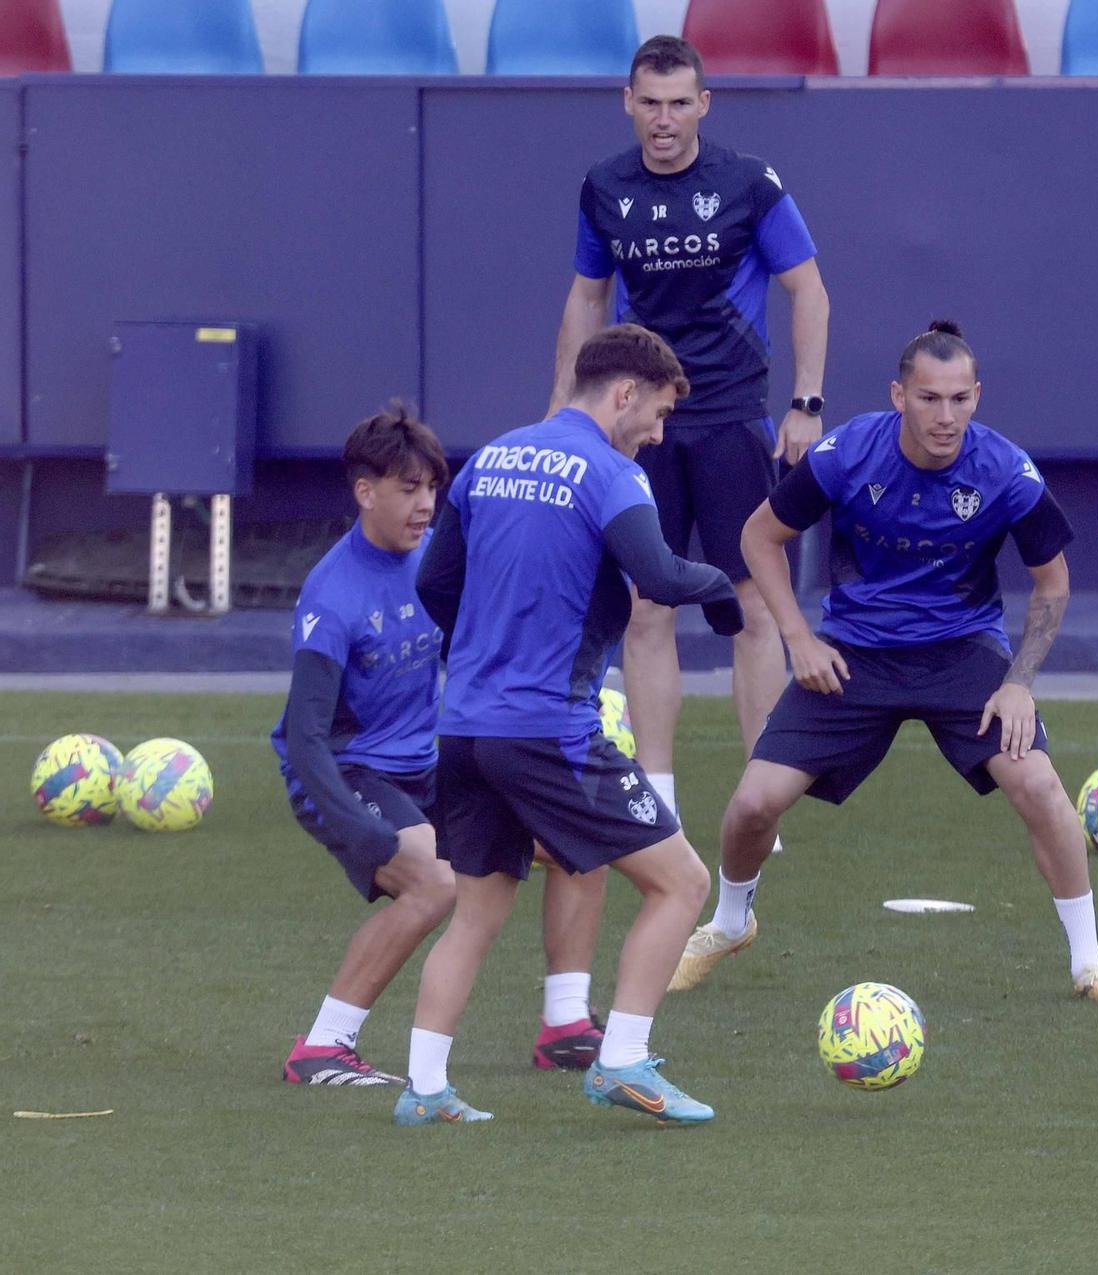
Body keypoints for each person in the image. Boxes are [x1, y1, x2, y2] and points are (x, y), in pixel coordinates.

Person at [666, 321, 1098, 1007]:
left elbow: (1053, 582)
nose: (944, 416)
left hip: (962, 653)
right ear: (899, 395)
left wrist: (1018, 685)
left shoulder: (1006, 471)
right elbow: (756, 536)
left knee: (1038, 787)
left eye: (958, 399)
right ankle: (731, 922)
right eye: (928, 398)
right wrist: (798, 637)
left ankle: (1090, 963)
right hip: (854, 653)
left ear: (977, 396)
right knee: (751, 805)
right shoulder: (845, 454)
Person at [394, 325, 745, 1126]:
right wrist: (719, 585)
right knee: (683, 882)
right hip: (549, 729)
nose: (657, 435)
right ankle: (622, 1060)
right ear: (623, 393)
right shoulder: (611, 474)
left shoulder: (489, 459)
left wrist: (490, 649)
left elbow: (436, 585)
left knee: (477, 912)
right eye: (655, 414)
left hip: (465, 725)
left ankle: (423, 1089)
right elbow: (657, 573)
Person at [551, 34, 829, 841]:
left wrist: (807, 402)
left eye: (680, 103)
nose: (664, 118)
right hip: (638, 426)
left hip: (733, 417)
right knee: (645, 607)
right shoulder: (604, 188)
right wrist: (568, 408)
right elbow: (585, 297)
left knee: (751, 606)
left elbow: (808, 289)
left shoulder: (749, 184)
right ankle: (658, 797)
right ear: (627, 103)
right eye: (651, 102)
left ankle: (760, 795)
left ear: (704, 104)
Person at [273, 407, 457, 1086]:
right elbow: (305, 736)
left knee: (566, 836)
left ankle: (565, 1022)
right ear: (365, 491)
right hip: (349, 770)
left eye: (432, 488)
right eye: (408, 489)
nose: (425, 504)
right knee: (433, 882)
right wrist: (362, 833)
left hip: (425, 764)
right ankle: (324, 1044)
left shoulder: (436, 554)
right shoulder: (333, 595)